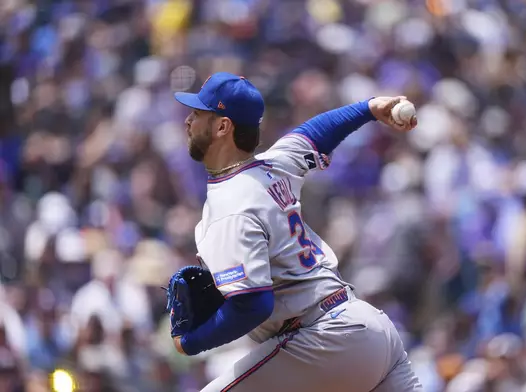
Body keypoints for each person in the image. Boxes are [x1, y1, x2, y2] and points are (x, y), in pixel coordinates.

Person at [172, 72, 422, 392]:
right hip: (371, 330)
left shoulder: (230, 206)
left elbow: (253, 305)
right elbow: (315, 133)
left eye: (198, 114)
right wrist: (369, 108)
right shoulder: (274, 165)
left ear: (223, 127)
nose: (188, 121)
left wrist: (189, 343)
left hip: (324, 341)